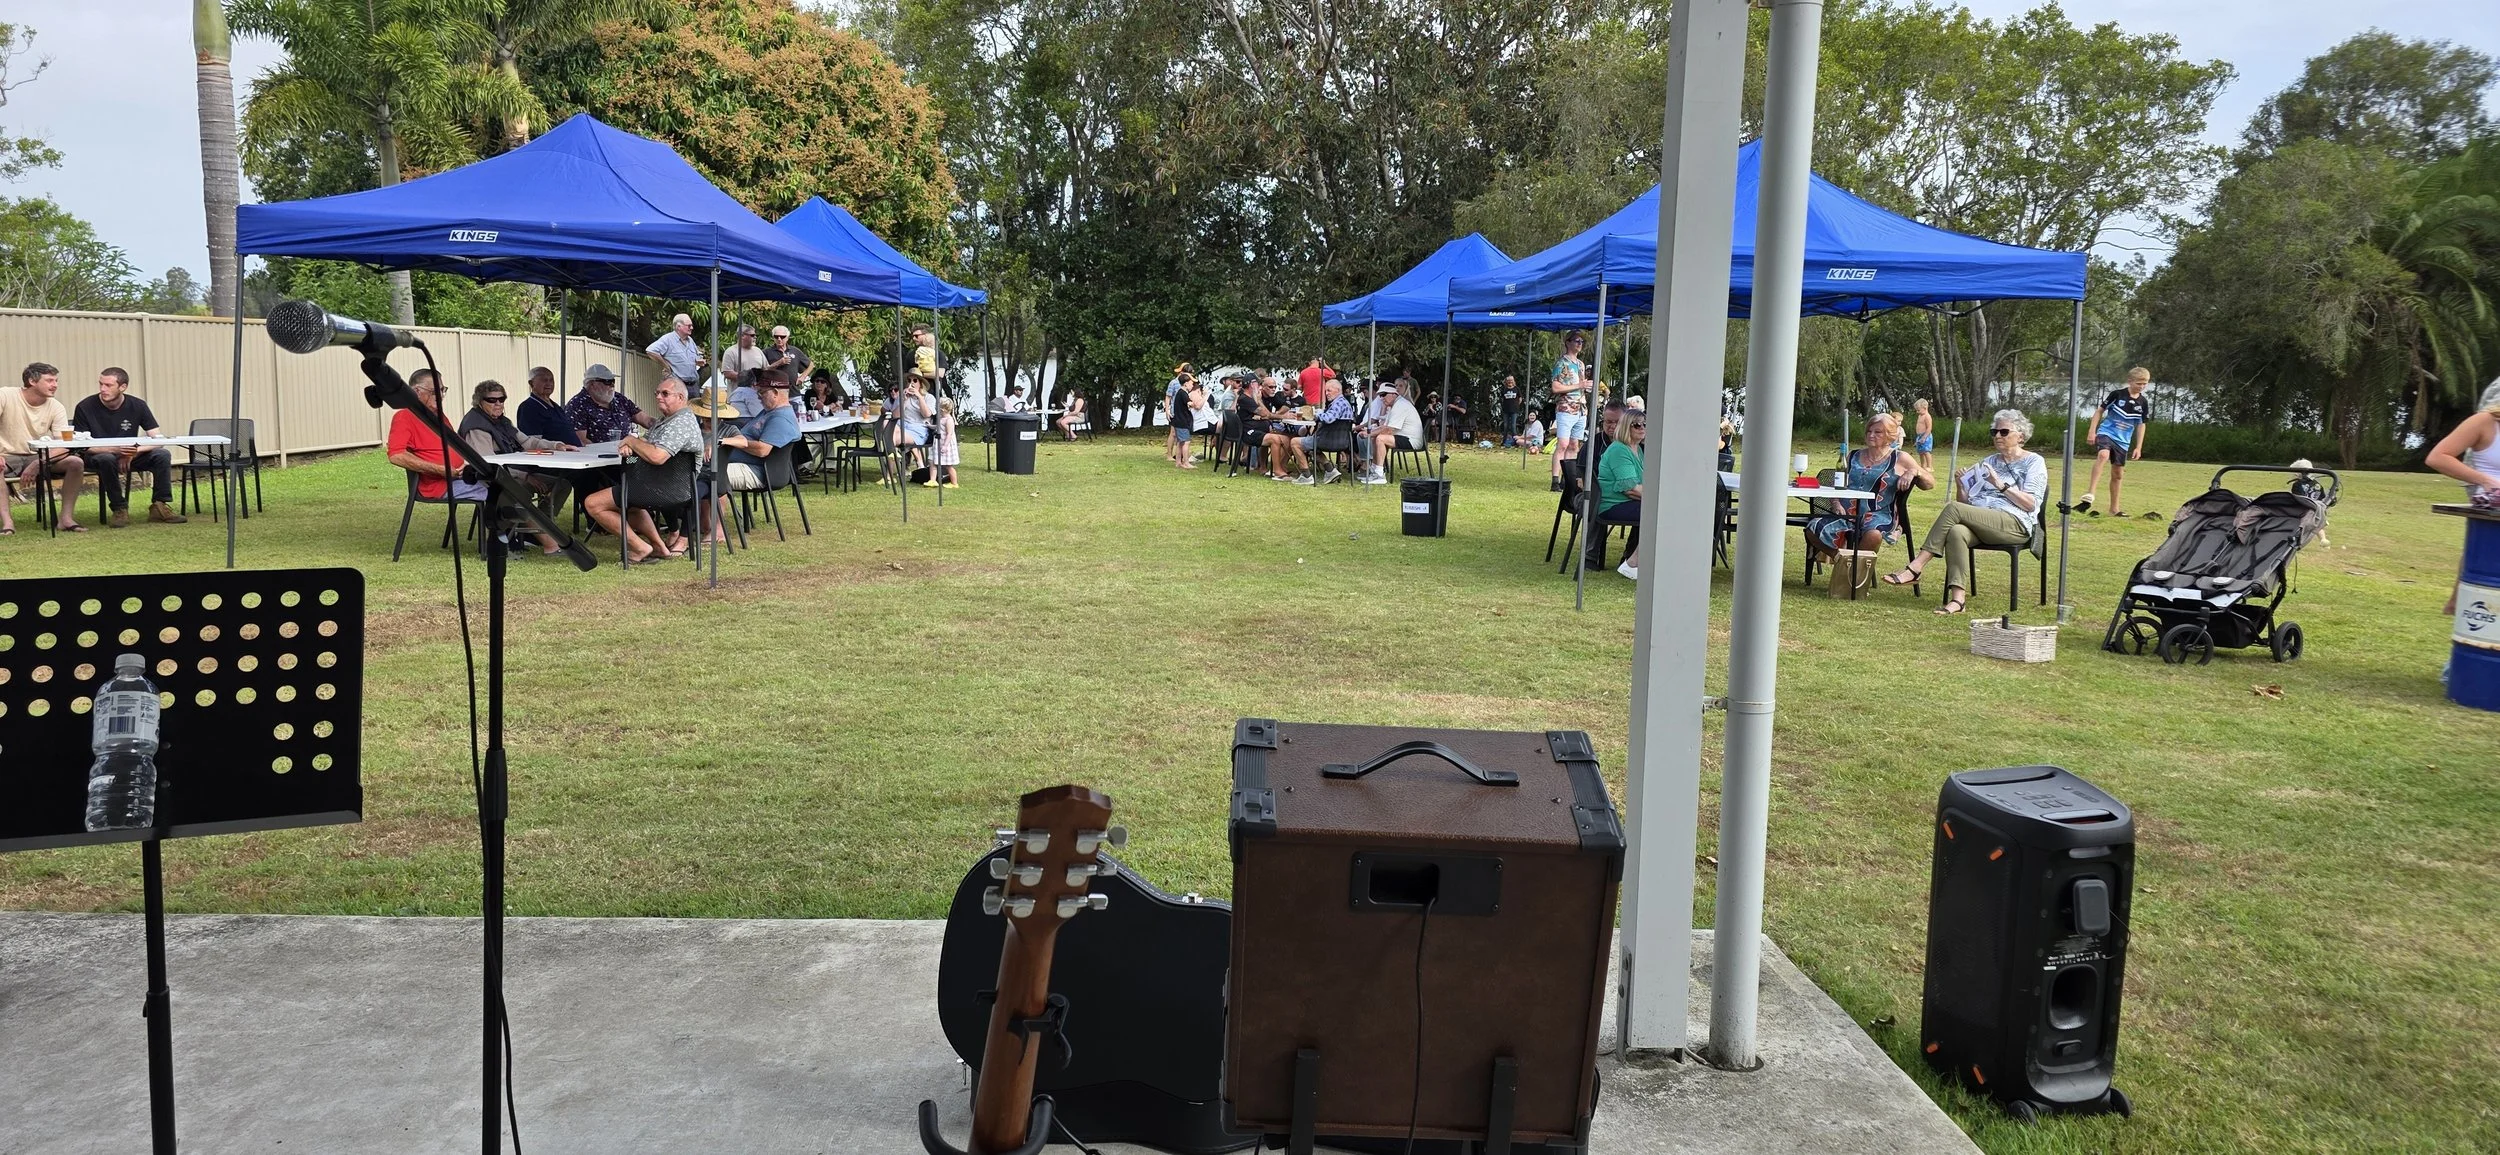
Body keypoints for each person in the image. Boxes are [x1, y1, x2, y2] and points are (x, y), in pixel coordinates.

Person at [1882, 409, 2048, 615]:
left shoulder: (2034, 461)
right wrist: (1962, 486)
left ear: (2021, 436)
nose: (1997, 436)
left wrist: (1999, 484)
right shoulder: (1989, 461)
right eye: (1994, 432)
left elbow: (2031, 504)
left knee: (1953, 508)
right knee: (1956, 531)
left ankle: (1916, 567)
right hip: (1984, 521)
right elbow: (1964, 506)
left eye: (2004, 432)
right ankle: (1958, 600)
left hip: (2014, 522)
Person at [454, 380, 569, 556]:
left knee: (562, 485)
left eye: (502, 399)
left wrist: (556, 445)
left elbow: (527, 442)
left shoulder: (502, 422)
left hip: (512, 474)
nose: (498, 404)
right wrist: (525, 476)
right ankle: (550, 544)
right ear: (479, 401)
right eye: (492, 400)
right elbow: (488, 465)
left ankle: (531, 533)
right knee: (518, 494)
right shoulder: (476, 427)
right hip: (492, 481)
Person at [1803, 412, 1932, 562]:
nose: (1871, 435)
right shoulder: (1853, 455)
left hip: (1878, 514)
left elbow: (1930, 483)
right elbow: (1837, 483)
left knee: (1874, 534)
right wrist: (1836, 503)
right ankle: (1842, 559)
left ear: (1890, 435)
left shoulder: (1900, 458)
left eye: (1878, 432)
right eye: (1869, 431)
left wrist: (1914, 471)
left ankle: (1854, 568)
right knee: (1813, 527)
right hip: (1846, 512)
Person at [595, 378, 699, 562]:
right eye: (657, 393)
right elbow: (642, 446)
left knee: (593, 503)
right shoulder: (666, 421)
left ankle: (640, 548)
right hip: (657, 484)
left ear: (681, 397)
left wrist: (630, 440)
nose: (658, 397)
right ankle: (660, 548)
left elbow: (657, 457)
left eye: (665, 393)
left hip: (664, 489)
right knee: (631, 500)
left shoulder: (680, 423)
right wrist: (629, 451)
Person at [72, 367, 187, 527]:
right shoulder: (85, 406)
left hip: (130, 456)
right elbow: (81, 446)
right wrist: (116, 450)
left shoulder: (138, 405)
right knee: (106, 459)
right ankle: (119, 508)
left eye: (108, 385)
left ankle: (160, 506)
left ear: (123, 387)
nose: (103, 389)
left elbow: (158, 439)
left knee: (162, 454)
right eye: (101, 384)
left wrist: (134, 451)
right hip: (98, 456)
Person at [2427, 378, 2500, 614]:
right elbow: (2438, 457)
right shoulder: (2485, 422)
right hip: (2490, 503)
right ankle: (2459, 603)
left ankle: (2458, 603)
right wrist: (2486, 481)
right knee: (2482, 552)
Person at [2, 362, 86, 532]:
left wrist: (38, 462)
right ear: (32, 381)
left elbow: (65, 446)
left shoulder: (56, 406)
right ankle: (7, 523)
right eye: (49, 380)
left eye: (56, 381)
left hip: (37, 454)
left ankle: (66, 519)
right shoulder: (5, 395)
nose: (55, 385)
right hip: (6, 455)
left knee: (76, 462)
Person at [387, 367, 487, 505]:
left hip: (458, 477)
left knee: (503, 485)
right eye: (434, 392)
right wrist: (439, 470)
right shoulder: (404, 416)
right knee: (494, 492)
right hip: (437, 486)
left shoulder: (438, 416)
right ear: (416, 392)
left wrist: (466, 464)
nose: (440, 396)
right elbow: (396, 455)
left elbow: (455, 447)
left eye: (442, 390)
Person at [2077, 368, 2153, 517]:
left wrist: (2138, 447)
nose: (2142, 386)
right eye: (2139, 383)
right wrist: (2092, 431)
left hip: (2123, 441)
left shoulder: (2143, 402)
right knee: (2103, 455)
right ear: (2130, 381)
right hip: (2107, 432)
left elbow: (2141, 424)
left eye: (2145, 384)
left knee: (2118, 474)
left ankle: (2114, 509)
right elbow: (2099, 411)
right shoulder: (2117, 395)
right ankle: (2090, 493)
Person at [1595, 409, 1647, 580]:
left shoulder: (1637, 449)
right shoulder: (1619, 450)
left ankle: (1638, 561)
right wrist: (1661, 498)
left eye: (1645, 424)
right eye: (1637, 425)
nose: (1642, 428)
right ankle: (1632, 563)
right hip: (1613, 505)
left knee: (1662, 510)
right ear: (1625, 427)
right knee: (1658, 514)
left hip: (1630, 503)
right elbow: (1631, 489)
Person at [1291, 378, 1357, 485]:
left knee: (1294, 442)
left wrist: (1315, 414)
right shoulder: (1345, 403)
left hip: (1327, 440)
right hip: (1343, 442)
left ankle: (1306, 476)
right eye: (1326, 391)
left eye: (1329, 390)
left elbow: (1328, 418)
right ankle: (1330, 470)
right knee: (1311, 448)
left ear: (1338, 390)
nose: (1326, 393)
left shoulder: (1338, 403)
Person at [564, 363, 652, 443]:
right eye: (607, 382)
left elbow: (645, 420)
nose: (612, 385)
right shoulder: (577, 405)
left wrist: (660, 427)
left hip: (628, 451)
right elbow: (581, 441)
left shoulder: (619, 399)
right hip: (600, 454)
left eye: (613, 381)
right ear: (592, 384)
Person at [1362, 382, 1424, 485]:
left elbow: (1388, 430)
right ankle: (1374, 470)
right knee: (1375, 437)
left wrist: (1368, 434)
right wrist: (1369, 433)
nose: (1381, 398)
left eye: (1383, 394)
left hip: (1411, 440)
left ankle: (1379, 474)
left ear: (1393, 394)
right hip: (1404, 436)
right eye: (1380, 395)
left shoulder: (1400, 405)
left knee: (1380, 438)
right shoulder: (1395, 405)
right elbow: (1384, 426)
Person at [1549, 331, 1589, 488]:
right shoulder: (1561, 363)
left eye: (1581, 341)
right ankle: (1555, 480)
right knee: (1563, 444)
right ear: (1568, 342)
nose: (1580, 344)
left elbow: (1581, 385)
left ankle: (1567, 479)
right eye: (1577, 341)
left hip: (1581, 408)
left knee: (1574, 445)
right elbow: (1555, 387)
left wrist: (1585, 387)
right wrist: (1579, 385)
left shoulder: (1580, 364)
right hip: (1566, 408)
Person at [515, 367, 583, 447]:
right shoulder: (528, 407)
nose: (549, 384)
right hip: (557, 453)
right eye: (544, 380)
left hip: (575, 451)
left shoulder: (555, 406)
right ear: (531, 383)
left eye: (551, 380)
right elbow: (532, 442)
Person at [894, 373, 938, 476]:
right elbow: (895, 416)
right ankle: (898, 457)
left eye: (915, 380)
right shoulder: (903, 396)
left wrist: (919, 397)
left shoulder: (929, 397)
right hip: (902, 425)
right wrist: (904, 400)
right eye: (909, 380)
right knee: (887, 425)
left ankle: (893, 456)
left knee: (893, 438)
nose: (911, 383)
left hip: (918, 428)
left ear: (920, 383)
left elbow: (926, 414)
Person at [645, 313, 706, 383]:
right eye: (689, 326)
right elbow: (650, 351)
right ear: (678, 326)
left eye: (692, 325)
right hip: (676, 384)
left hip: (693, 384)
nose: (691, 328)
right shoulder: (668, 339)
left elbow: (692, 359)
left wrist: (697, 362)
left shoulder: (690, 341)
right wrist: (666, 366)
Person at [719, 323, 769, 391]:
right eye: (752, 335)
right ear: (742, 335)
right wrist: (748, 378)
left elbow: (766, 369)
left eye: (755, 335)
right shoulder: (731, 351)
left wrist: (779, 363)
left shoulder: (758, 350)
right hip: (739, 394)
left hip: (758, 394)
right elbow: (728, 373)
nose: (755, 337)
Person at [931, 397, 962, 489]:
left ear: (942, 409)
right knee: (934, 462)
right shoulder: (941, 418)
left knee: (949, 466)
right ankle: (933, 480)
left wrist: (945, 446)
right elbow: (938, 427)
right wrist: (930, 426)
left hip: (946, 444)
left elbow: (949, 434)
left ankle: (954, 483)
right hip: (939, 443)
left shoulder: (949, 420)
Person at [1911, 398, 1934, 473]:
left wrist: (1924, 437)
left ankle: (1929, 466)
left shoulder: (1927, 416)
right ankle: (1922, 466)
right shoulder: (1920, 416)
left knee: (1926, 451)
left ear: (1925, 408)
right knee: (1920, 452)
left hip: (1926, 435)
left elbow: (1929, 428)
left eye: (1918, 410)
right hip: (1919, 436)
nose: (1917, 412)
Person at [1499, 375, 1523, 445]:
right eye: (1508, 380)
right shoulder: (1504, 389)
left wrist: (1516, 405)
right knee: (1505, 426)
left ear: (1513, 381)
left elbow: (1520, 398)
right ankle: (1504, 441)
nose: (1510, 381)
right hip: (1506, 410)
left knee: (1513, 426)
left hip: (1514, 410)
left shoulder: (1517, 389)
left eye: (1511, 380)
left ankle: (1516, 442)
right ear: (1506, 381)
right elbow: (1502, 399)